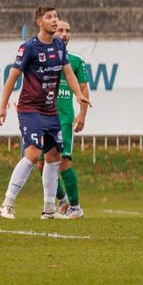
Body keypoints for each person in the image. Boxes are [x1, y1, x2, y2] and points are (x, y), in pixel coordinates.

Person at [0, 7, 91, 220]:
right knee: (32, 154)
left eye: (56, 16)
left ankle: (49, 209)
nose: (54, 20)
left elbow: (68, 71)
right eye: (49, 17)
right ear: (39, 21)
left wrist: (78, 94)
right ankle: (7, 205)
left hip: (50, 110)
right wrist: (2, 106)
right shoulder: (29, 47)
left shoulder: (59, 46)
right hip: (30, 109)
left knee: (54, 157)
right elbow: (12, 78)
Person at [51, 18, 90, 219]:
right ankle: (63, 200)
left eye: (68, 31)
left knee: (63, 162)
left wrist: (82, 114)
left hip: (64, 119)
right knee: (41, 166)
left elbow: (83, 88)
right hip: (43, 118)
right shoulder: (43, 57)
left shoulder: (75, 60)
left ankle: (75, 207)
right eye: (61, 30)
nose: (65, 34)